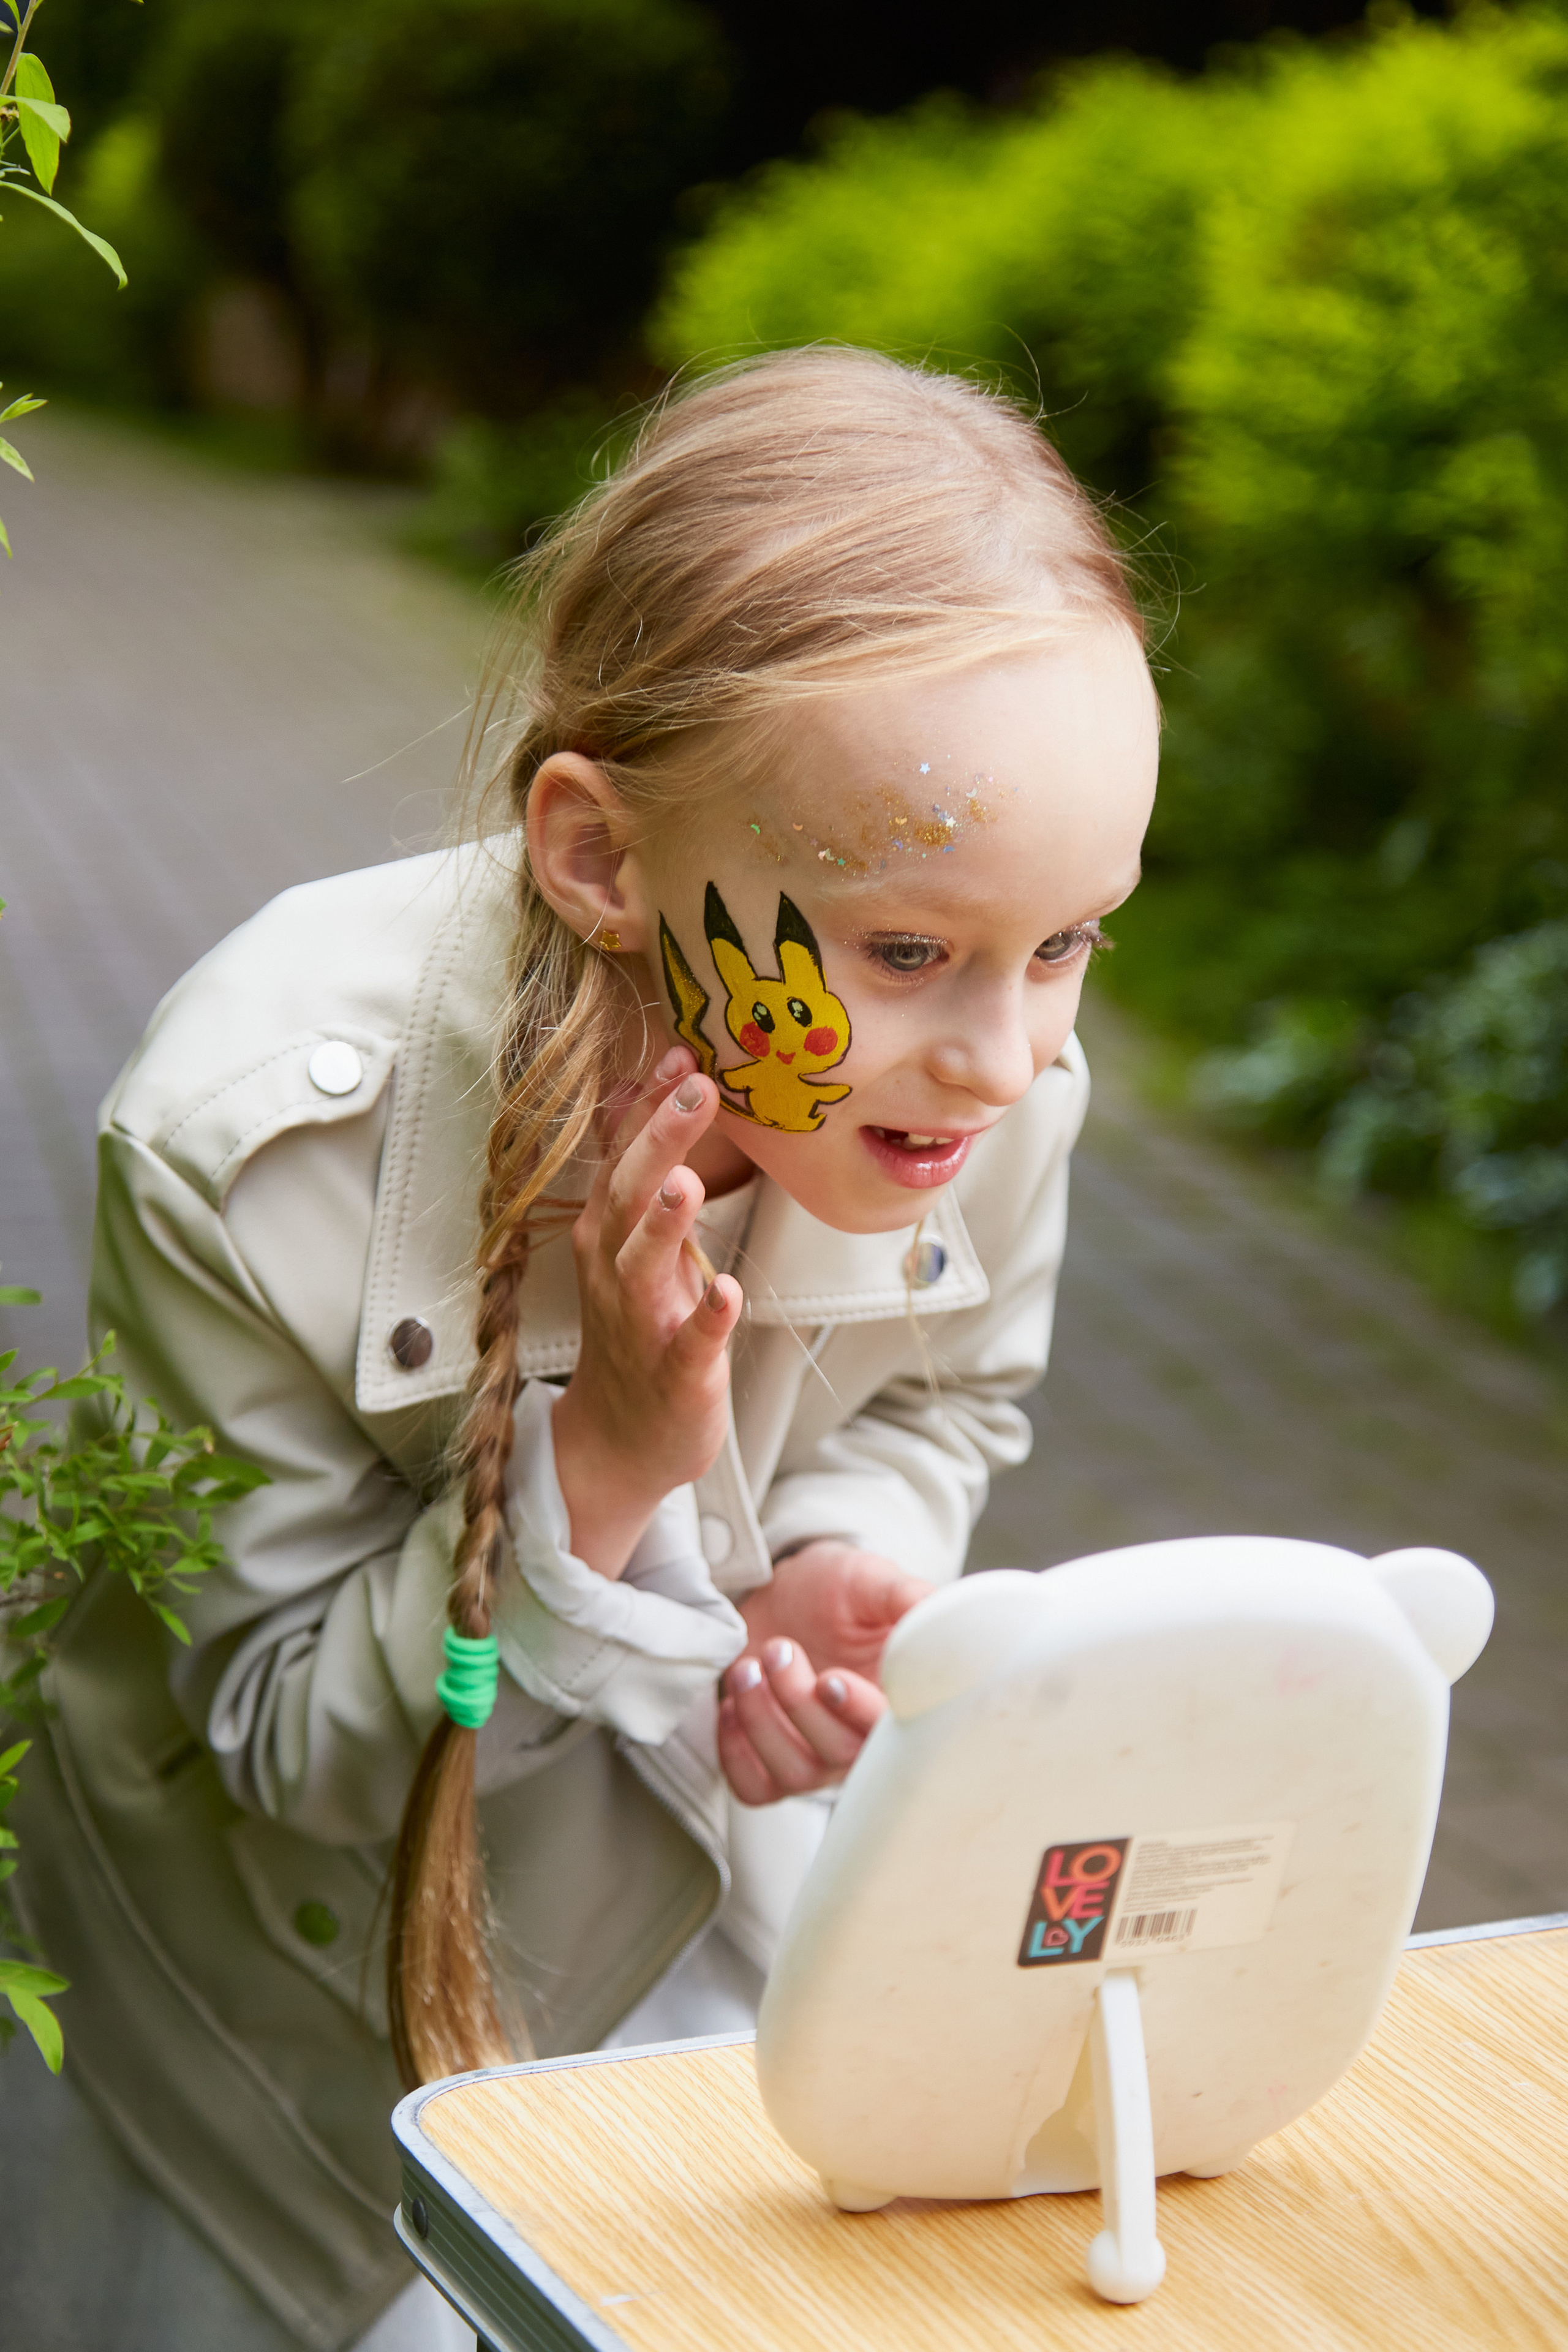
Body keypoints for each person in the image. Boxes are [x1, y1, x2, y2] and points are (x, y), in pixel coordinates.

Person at [7, 347, 1158, 2350]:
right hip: (293, 2084)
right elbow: (287, 1751)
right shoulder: (245, 1146)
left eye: (1069, 941)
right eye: (906, 954)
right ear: (604, 857)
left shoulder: (994, 1087)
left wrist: (833, 1554)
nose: (1012, 1053)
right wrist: (603, 1477)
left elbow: (957, 1390)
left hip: (718, 1979)